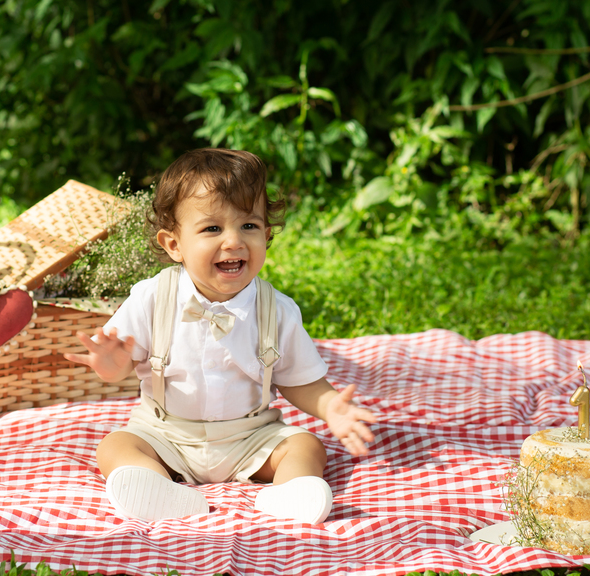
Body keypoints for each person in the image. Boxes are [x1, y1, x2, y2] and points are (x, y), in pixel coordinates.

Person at [64, 148, 377, 524]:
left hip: (250, 436)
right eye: (212, 229)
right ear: (174, 245)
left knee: (306, 446)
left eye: (249, 226)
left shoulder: (276, 310)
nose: (233, 241)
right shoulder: (152, 297)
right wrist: (111, 364)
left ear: (267, 234)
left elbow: (301, 381)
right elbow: (119, 366)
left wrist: (329, 406)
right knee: (115, 446)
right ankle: (156, 487)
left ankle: (290, 494)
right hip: (166, 432)